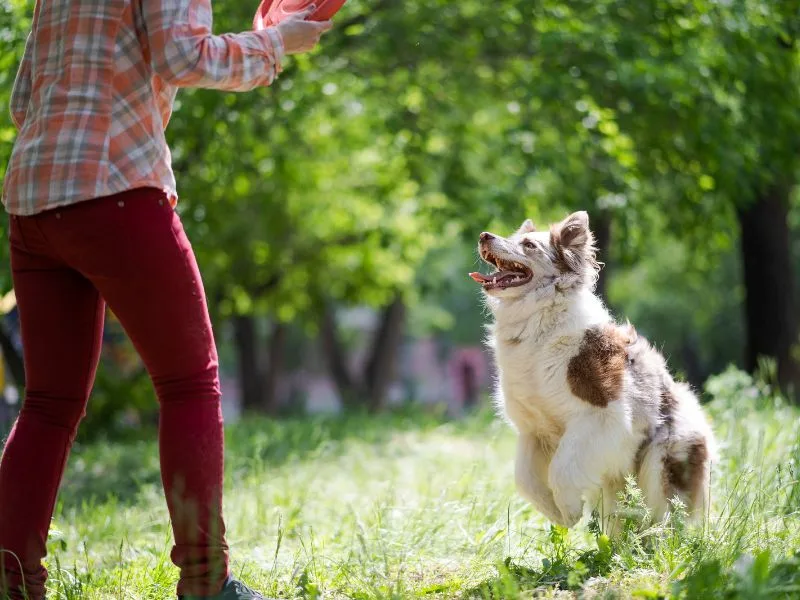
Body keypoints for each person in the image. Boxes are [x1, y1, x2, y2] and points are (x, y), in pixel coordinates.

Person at [0, 1, 332, 598]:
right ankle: (207, 583)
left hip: (33, 198)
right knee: (188, 386)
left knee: (47, 404)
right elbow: (184, 57)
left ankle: (9, 580)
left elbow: (23, 97)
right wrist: (279, 44)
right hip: (118, 190)